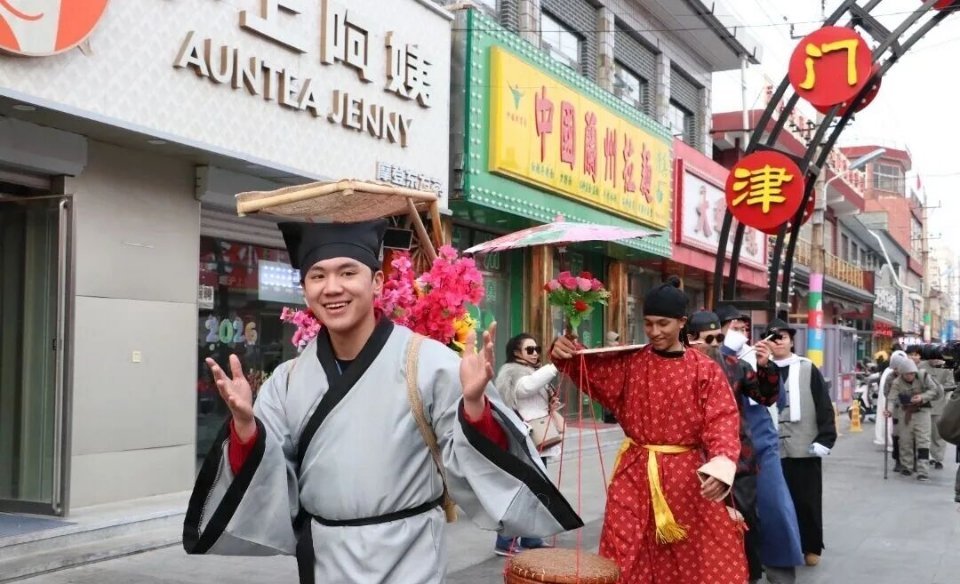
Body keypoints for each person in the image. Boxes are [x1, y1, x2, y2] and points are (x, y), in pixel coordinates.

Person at [183, 220, 582, 583]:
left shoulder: (428, 363)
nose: (332, 287)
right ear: (305, 290)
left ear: (376, 283)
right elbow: (269, 479)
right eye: (318, 276)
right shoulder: (286, 382)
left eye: (347, 273)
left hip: (408, 556)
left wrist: (475, 409)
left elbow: (471, 463)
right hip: (325, 559)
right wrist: (245, 429)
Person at [551, 277, 746, 584]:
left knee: (694, 558)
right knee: (623, 552)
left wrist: (721, 464)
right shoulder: (631, 363)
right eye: (649, 323)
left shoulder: (705, 370)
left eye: (663, 323)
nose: (654, 331)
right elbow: (588, 368)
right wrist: (567, 350)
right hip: (633, 475)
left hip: (686, 480)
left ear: (682, 323)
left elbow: (722, 420)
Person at [686, 311, 786, 584]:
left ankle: (748, 575)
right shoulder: (678, 368)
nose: (715, 345)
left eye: (719, 338)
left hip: (737, 461)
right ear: (690, 338)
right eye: (709, 339)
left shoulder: (736, 366)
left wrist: (765, 367)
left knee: (743, 522)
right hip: (691, 461)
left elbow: (766, 397)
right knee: (698, 528)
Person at [765, 318, 837, 568]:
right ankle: (780, 547)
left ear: (791, 341)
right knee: (775, 502)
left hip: (804, 445)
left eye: (783, 337)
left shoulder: (807, 368)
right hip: (772, 448)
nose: (778, 342)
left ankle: (811, 546)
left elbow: (823, 405)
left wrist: (825, 439)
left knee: (807, 500)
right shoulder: (759, 368)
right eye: (773, 338)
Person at [492, 333, 560, 556]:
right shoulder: (512, 373)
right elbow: (525, 388)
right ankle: (505, 541)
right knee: (522, 492)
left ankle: (531, 537)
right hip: (524, 441)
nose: (535, 353)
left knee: (538, 491)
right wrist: (554, 366)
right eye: (529, 349)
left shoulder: (532, 372)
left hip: (539, 440)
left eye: (536, 349)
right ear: (516, 352)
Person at [885, 357, 943, 481]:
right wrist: (888, 410)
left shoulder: (923, 376)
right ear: (902, 373)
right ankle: (907, 467)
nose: (910, 376)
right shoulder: (897, 382)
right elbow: (891, 398)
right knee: (905, 441)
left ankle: (923, 470)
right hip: (905, 412)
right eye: (907, 374)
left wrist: (922, 397)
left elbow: (934, 390)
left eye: (912, 373)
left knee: (923, 441)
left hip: (923, 412)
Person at [920, 345, 954, 470]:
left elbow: (951, 384)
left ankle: (938, 458)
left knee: (938, 434)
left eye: (937, 358)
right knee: (924, 433)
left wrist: (939, 388)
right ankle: (926, 456)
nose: (935, 360)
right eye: (932, 358)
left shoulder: (947, 368)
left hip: (939, 405)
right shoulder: (921, 367)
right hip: (924, 405)